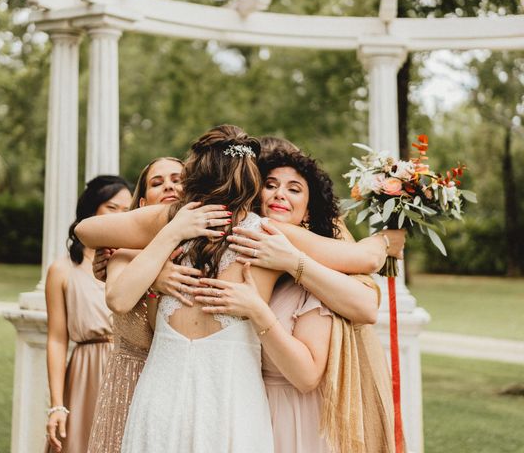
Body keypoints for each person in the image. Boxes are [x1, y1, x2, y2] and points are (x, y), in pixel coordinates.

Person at [76, 125, 390, 452]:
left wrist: (170, 229)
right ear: (252, 180)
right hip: (224, 399)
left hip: (178, 396)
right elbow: (362, 258)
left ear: (195, 174)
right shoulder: (266, 232)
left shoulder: (177, 219)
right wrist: (385, 240)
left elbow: (85, 229)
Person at [195, 146, 405, 452]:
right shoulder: (228, 256)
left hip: (295, 419)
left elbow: (365, 304)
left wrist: (292, 260)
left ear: (307, 212)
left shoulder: (318, 275)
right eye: (270, 185)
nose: (280, 194)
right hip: (240, 413)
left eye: (294, 189)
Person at [86, 157, 187, 453]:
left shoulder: (202, 254)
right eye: (158, 182)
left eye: (177, 179)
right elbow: (118, 299)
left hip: (178, 386)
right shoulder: (121, 253)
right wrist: (154, 278)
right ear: (142, 203)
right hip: (127, 384)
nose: (169, 185)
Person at [45, 175, 132, 453]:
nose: (120, 217)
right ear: (90, 211)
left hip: (128, 366)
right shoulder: (62, 270)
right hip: (84, 373)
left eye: (127, 211)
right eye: (111, 208)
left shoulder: (136, 261)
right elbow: (57, 340)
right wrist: (57, 404)